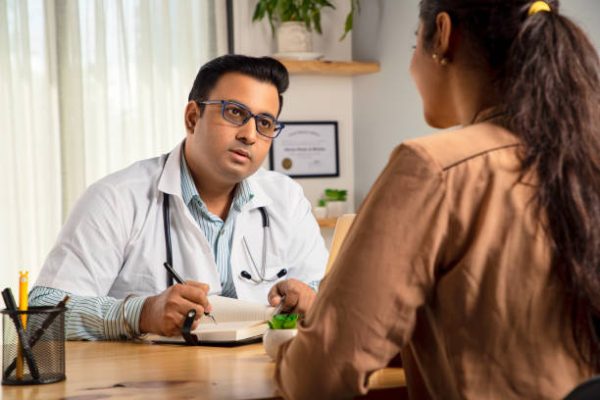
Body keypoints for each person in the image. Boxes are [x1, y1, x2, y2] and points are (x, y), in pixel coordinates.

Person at [275, 1, 600, 398]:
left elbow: (317, 377)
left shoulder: (433, 169)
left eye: (416, 40)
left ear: (443, 35)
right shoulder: (584, 158)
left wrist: (289, 354)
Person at [30, 55, 327, 340]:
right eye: (235, 112)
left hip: (263, 379)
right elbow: (40, 313)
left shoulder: (287, 198)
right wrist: (141, 314)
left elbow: (324, 290)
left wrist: (310, 299)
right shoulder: (115, 198)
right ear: (193, 117)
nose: (249, 135)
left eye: (264, 123)